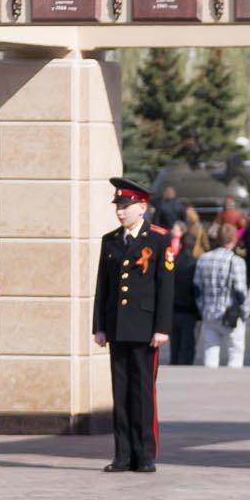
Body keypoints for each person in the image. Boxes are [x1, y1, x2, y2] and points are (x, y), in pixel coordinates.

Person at [93, 176, 177, 472]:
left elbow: (165, 287)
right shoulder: (111, 240)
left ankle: (145, 454)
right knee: (121, 392)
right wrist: (99, 326)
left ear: (142, 207)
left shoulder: (158, 239)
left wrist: (162, 327)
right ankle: (122, 455)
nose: (120, 211)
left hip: (145, 328)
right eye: (118, 206)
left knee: (143, 393)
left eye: (126, 206)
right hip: (117, 327)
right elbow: (103, 287)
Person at [194, 214, 250, 368]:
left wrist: (202, 308)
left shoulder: (203, 259)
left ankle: (209, 385)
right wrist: (245, 313)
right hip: (230, 315)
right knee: (235, 352)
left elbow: (197, 289)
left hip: (209, 313)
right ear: (234, 240)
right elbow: (240, 291)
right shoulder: (237, 261)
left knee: (210, 351)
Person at [167, 212, 205, 364]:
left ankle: (175, 364)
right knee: (187, 347)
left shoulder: (173, 262)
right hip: (189, 311)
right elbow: (197, 289)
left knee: (175, 348)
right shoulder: (194, 263)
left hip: (174, 309)